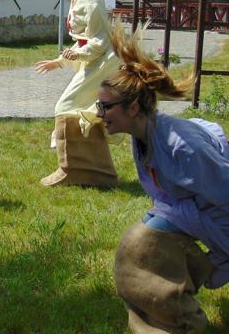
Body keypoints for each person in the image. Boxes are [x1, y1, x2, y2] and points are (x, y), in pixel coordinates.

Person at [97, 25, 229, 334]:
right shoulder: (142, 134)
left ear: (133, 108)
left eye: (106, 106)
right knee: (140, 246)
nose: (99, 113)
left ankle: (183, 325)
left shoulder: (184, 148)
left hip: (220, 213)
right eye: (99, 105)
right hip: (193, 210)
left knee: (139, 249)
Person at [35, 0, 139, 188]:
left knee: (66, 107)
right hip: (95, 60)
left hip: (104, 61)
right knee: (78, 111)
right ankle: (89, 170)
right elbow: (82, 41)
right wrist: (59, 61)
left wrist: (77, 55)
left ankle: (74, 169)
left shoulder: (90, 0)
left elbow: (100, 40)